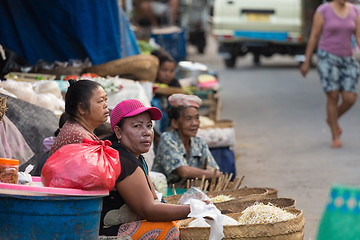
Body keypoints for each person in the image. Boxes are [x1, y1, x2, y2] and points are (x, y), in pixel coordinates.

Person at [100, 99, 191, 238]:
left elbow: (154, 199)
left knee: (179, 220)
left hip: (127, 222)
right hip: (107, 230)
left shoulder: (136, 157)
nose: (147, 132)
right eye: (137, 126)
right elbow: (149, 209)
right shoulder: (121, 159)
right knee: (168, 229)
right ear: (118, 132)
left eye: (149, 126)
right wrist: (194, 209)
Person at [300, 0, 360, 148]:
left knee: (350, 98)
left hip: (347, 58)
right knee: (332, 95)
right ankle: (335, 135)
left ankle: (332, 118)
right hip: (327, 57)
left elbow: (358, 37)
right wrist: (307, 60)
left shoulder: (354, 11)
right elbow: (314, 36)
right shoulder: (323, 10)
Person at [152, 93, 221, 188]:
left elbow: (215, 170)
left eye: (197, 118)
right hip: (167, 193)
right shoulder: (167, 138)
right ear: (175, 123)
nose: (195, 123)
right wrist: (211, 174)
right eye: (188, 119)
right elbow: (183, 171)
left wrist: (213, 174)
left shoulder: (199, 142)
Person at [49, 79, 109, 156]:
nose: (106, 105)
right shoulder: (79, 137)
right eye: (100, 101)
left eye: (105, 100)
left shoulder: (75, 128)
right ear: (82, 108)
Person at [151, 49, 181, 133]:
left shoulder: (174, 83)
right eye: (164, 70)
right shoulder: (150, 83)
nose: (168, 74)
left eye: (171, 71)